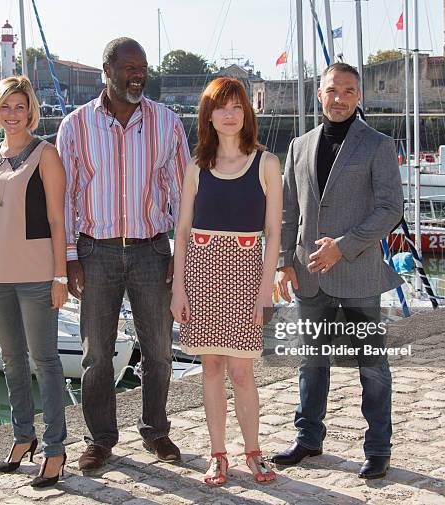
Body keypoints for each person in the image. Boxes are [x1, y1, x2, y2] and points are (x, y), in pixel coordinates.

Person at [56, 37, 190, 470]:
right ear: (106, 69)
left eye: (143, 66)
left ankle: (156, 431)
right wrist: (71, 258)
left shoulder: (167, 123)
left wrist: (179, 253)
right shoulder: (75, 126)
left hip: (152, 250)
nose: (138, 73)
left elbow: (183, 192)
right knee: (97, 354)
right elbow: (66, 200)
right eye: (129, 66)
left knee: (160, 350)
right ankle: (99, 439)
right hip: (96, 252)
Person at [271, 63, 404, 480]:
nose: (340, 98)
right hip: (310, 276)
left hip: (358, 274)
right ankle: (309, 438)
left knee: (372, 366)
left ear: (358, 96)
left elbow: (391, 209)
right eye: (333, 90)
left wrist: (342, 247)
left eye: (349, 91)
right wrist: (282, 263)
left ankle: (378, 448)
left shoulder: (378, 145)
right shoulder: (298, 146)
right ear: (320, 95)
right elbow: (288, 211)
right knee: (311, 363)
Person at [171, 77, 282, 486]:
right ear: (209, 115)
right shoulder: (196, 166)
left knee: (242, 372)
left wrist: (263, 293)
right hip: (201, 274)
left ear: (246, 113)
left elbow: (273, 235)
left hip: (247, 275)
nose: (230, 114)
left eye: (237, 107)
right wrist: (178, 287)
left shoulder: (267, 163)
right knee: (212, 367)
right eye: (222, 107)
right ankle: (218, 454)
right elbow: (182, 231)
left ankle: (253, 451)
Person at [0, 76, 68, 488]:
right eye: (5, 107)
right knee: (11, 361)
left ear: (30, 111)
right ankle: (21, 437)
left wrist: (60, 275)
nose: (13, 114)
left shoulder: (45, 154)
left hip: (35, 275)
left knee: (44, 361)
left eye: (20, 107)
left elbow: (58, 220)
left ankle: (55, 449)